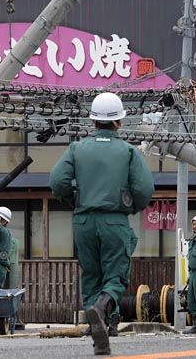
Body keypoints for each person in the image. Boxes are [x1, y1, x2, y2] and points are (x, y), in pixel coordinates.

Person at [49, 92, 154, 356]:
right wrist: (132, 207)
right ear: (119, 121)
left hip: (83, 220)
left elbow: (57, 181)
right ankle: (103, 306)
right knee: (115, 274)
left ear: (93, 121)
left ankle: (99, 336)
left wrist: (71, 200)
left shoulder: (76, 148)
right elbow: (144, 188)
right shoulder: (128, 151)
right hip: (114, 219)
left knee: (91, 274)